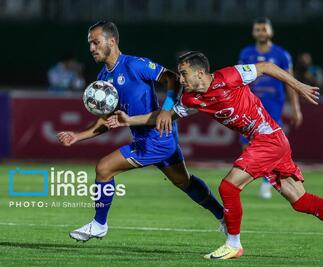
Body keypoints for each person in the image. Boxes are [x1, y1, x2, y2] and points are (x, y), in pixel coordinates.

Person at [107, 52, 323, 259]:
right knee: (300, 200)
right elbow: (165, 115)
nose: (181, 79)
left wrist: (298, 86)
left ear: (202, 72)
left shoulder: (229, 77)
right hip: (269, 142)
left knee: (228, 186)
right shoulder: (192, 99)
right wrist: (129, 119)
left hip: (269, 138)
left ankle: (233, 244)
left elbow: (267, 68)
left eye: (185, 73)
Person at [56, 22, 225, 242]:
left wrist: (166, 110)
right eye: (90, 43)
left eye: (96, 42)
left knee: (104, 168)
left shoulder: (135, 65)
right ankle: (224, 217)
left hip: (157, 138)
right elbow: (107, 120)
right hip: (152, 137)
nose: (92, 48)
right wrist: (78, 136)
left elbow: (172, 78)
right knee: (184, 181)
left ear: (112, 41)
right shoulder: (102, 78)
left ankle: (99, 224)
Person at [238, 17, 302, 199]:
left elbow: (290, 83)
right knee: (247, 147)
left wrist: (296, 108)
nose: (261, 33)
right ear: (253, 32)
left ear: (270, 31)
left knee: (270, 147)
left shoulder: (282, 55)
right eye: (258, 29)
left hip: (273, 107)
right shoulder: (246, 53)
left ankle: (267, 183)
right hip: (250, 107)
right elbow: (240, 80)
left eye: (264, 29)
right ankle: (264, 178)